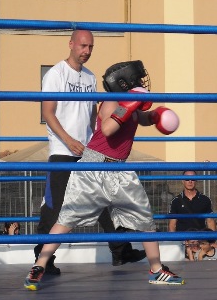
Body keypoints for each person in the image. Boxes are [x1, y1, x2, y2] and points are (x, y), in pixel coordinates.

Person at [24, 60, 184, 290]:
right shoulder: (111, 103)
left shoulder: (131, 105)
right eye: (137, 79)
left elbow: (143, 118)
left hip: (119, 170)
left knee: (145, 220)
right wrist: (128, 107)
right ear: (124, 82)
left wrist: (158, 116)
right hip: (94, 168)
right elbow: (108, 129)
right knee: (66, 219)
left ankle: (157, 270)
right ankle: (39, 265)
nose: (141, 83)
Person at [36, 30, 145, 274]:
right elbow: (47, 113)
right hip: (63, 149)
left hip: (89, 150)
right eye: (83, 46)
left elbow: (95, 116)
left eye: (90, 47)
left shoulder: (90, 77)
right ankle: (42, 259)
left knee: (106, 199)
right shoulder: (55, 74)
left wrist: (98, 142)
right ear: (71, 44)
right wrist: (68, 140)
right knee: (55, 206)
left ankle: (120, 252)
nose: (86, 51)